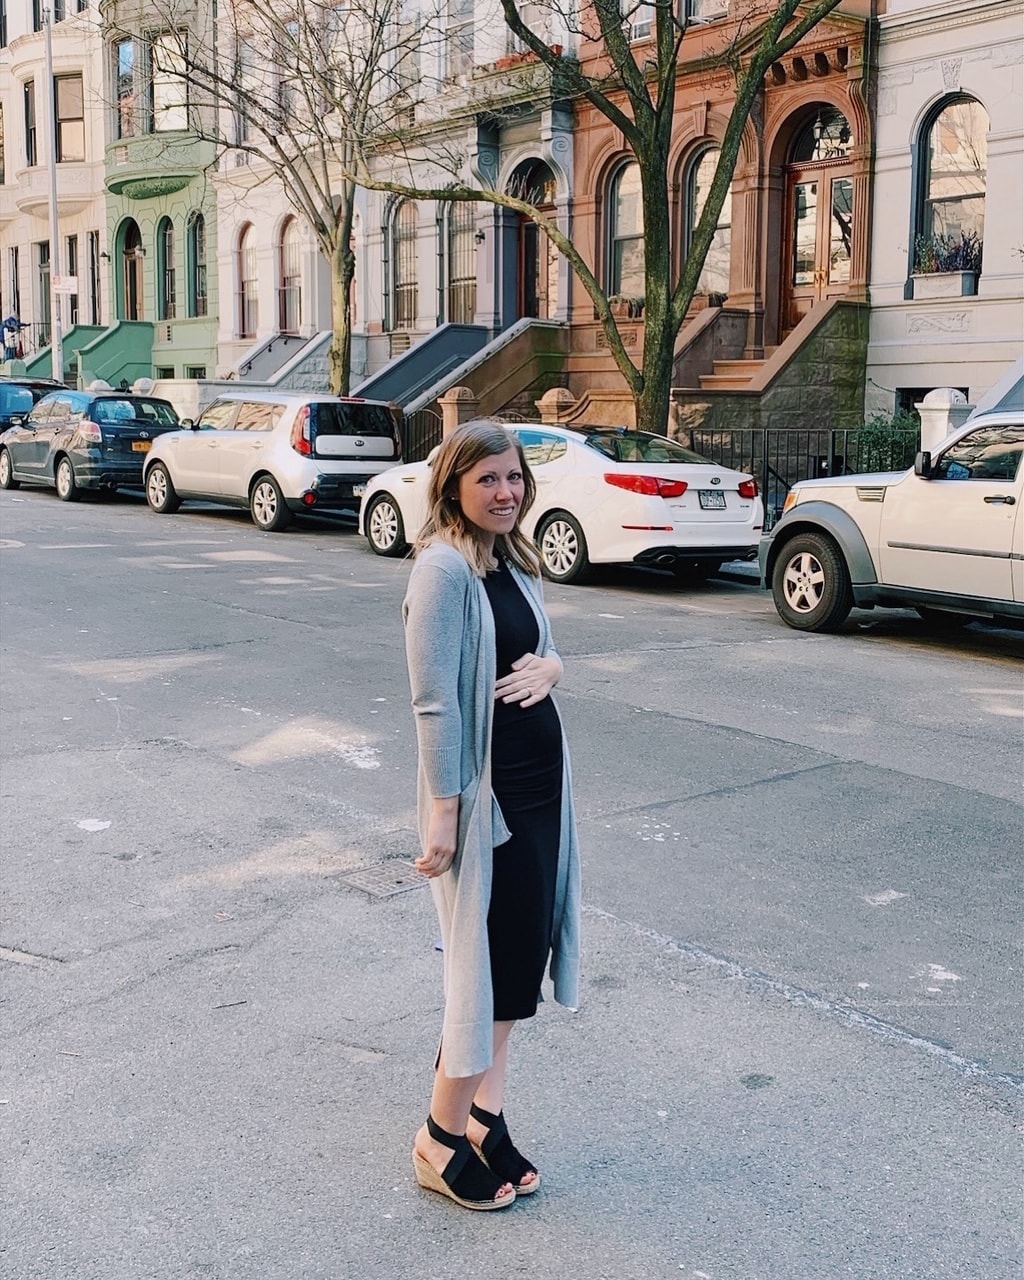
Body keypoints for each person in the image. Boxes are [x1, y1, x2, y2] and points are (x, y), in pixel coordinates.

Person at [402, 420, 581, 1211]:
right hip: (489, 808)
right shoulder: (441, 571)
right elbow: (435, 701)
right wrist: (445, 814)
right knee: (487, 974)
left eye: (513, 478)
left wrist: (555, 664)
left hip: (542, 796)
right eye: (488, 481)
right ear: (454, 488)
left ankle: (485, 1117)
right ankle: (437, 1142)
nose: (506, 493)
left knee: (516, 973)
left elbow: (534, 648)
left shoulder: (511, 556)